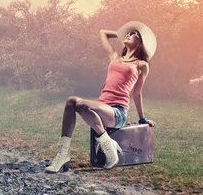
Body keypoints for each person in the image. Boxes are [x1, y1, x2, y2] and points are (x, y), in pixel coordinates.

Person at [44, 21, 157, 173]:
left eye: (133, 34)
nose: (129, 35)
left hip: (117, 112)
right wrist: (123, 34)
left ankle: (108, 148)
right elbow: (103, 32)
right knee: (72, 103)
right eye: (128, 33)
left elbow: (137, 93)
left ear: (140, 41)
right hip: (101, 106)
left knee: (79, 103)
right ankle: (63, 155)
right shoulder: (115, 57)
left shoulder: (141, 65)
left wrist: (143, 119)